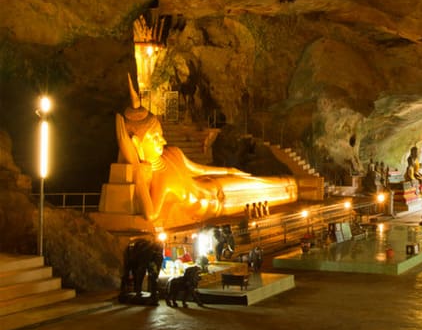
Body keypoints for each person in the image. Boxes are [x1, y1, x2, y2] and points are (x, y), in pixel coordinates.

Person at [116, 75, 297, 226]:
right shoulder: (160, 181)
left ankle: (293, 183)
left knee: (262, 183)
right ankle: (293, 186)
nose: (162, 140)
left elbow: (201, 170)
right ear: (137, 144)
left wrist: (228, 171)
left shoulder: (173, 153)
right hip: (219, 205)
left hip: (215, 186)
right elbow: (151, 214)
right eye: (155, 138)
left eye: (161, 134)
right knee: (275, 192)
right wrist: (139, 180)